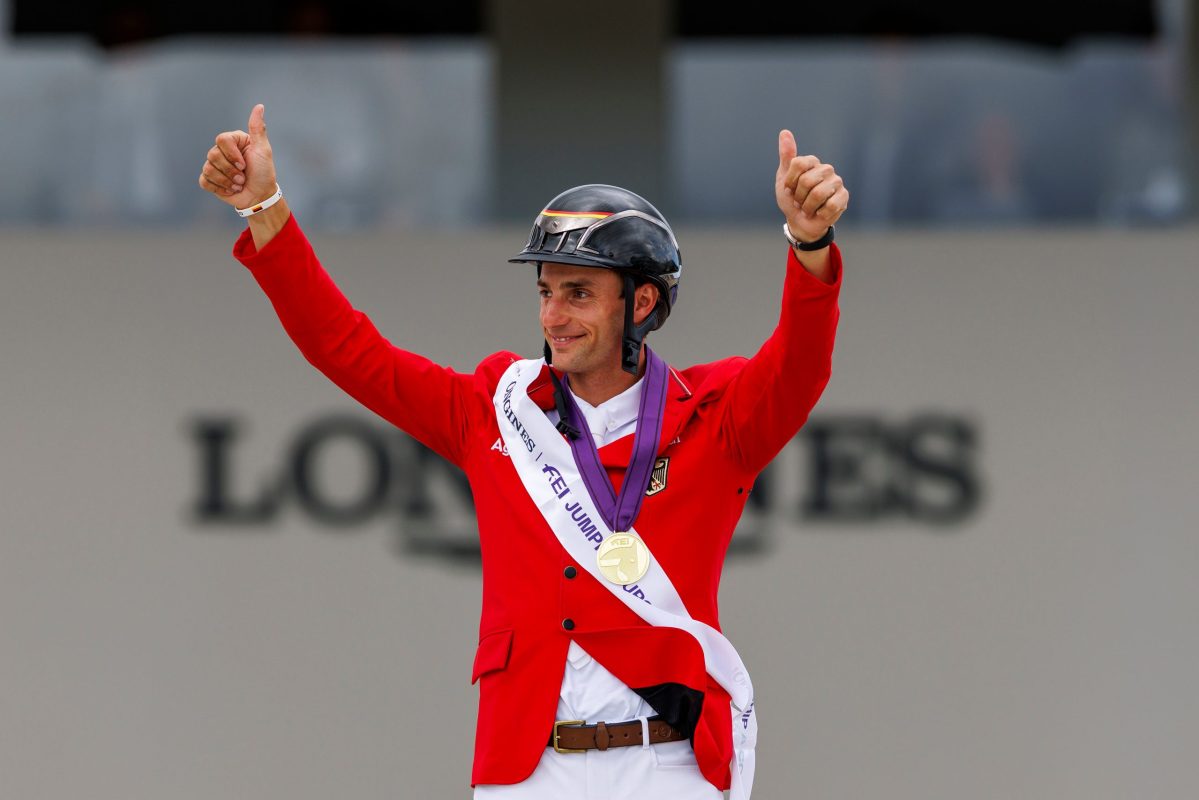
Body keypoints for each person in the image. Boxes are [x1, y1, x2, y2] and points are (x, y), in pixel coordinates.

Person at [199, 103, 847, 800]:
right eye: (544, 292)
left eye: (577, 293)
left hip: (669, 769)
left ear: (641, 303)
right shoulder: (493, 411)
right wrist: (262, 207)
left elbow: (799, 366)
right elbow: (347, 349)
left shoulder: (715, 421)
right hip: (528, 771)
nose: (551, 316)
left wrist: (808, 243)